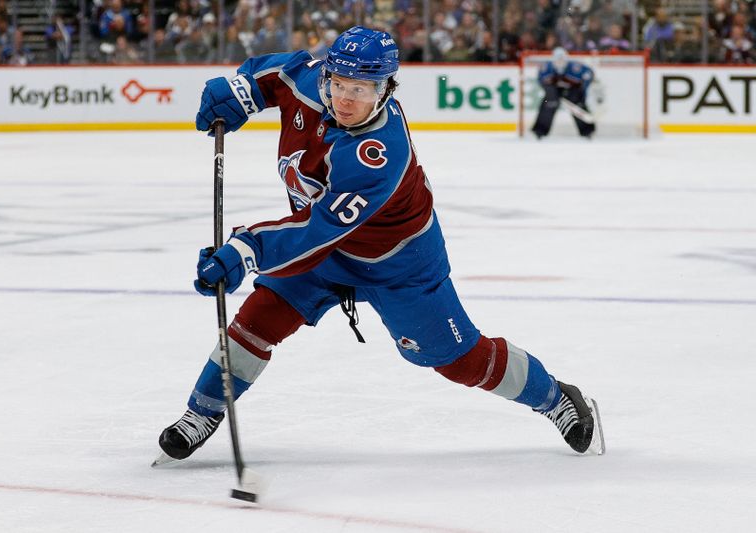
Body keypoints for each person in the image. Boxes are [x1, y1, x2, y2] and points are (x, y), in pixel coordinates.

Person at [155, 26, 605, 464]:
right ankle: (201, 413)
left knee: (461, 360)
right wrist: (239, 91)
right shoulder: (309, 79)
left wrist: (246, 249)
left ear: (387, 89)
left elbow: (317, 230)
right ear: (326, 75)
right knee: (258, 318)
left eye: (364, 89)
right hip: (325, 254)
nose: (348, 100)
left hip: (398, 263)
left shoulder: (377, 154)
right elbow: (268, 75)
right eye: (340, 84)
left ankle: (554, 397)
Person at [531, 47, 595, 139]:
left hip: (572, 91)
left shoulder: (576, 68)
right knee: (549, 103)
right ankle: (540, 130)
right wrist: (551, 93)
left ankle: (587, 130)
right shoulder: (546, 68)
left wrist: (583, 93)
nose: (560, 62)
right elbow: (541, 81)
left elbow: (589, 75)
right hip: (554, 90)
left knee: (576, 103)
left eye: (562, 60)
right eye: (557, 60)